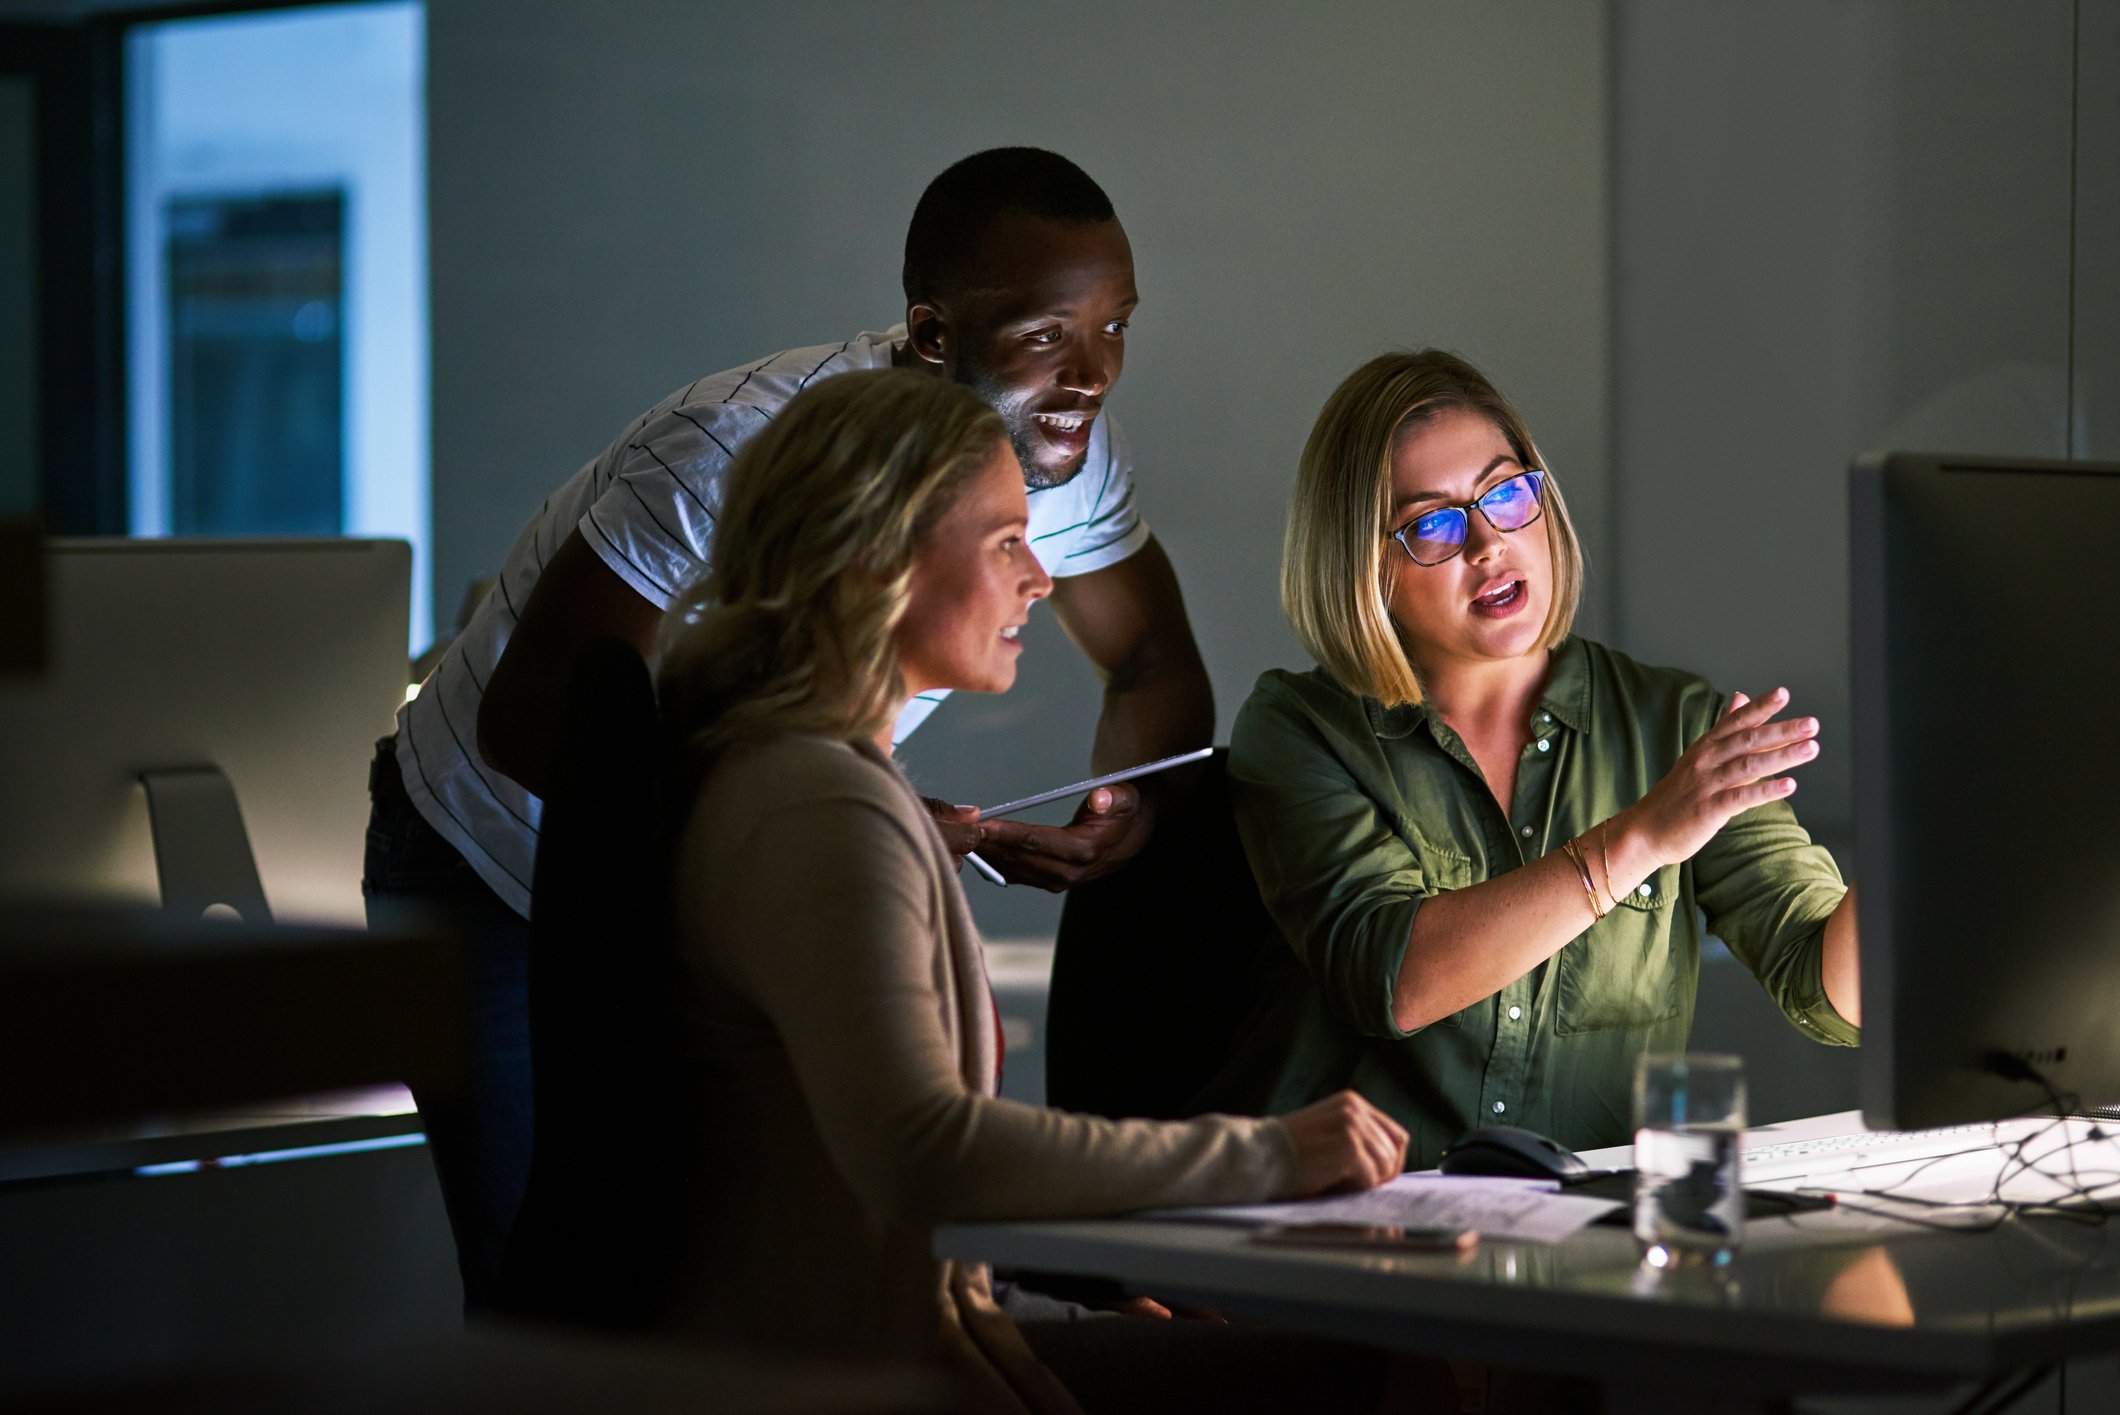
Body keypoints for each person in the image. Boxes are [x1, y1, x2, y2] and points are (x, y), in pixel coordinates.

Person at [363, 148, 1214, 1305]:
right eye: (1044, 335)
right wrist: (858, 815)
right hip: (496, 852)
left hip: (734, 848)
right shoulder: (730, 451)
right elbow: (535, 722)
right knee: (556, 1290)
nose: (1091, 375)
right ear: (930, 332)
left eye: (1114, 327)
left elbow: (1152, 656)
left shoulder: (1053, 450)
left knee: (741, 1258)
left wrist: (1127, 807)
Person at [658, 366, 1433, 1415]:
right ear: (876, 555)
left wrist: (1047, 1295)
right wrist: (1269, 1152)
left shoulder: (811, 777)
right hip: (842, 1378)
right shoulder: (815, 805)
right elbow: (925, 1154)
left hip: (906, 1340)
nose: (1040, 578)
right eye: (1003, 542)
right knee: (1387, 1373)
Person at [1203, 349, 1861, 1166]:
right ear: (1363, 566)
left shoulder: (1678, 724)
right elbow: (1390, 975)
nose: (1487, 541)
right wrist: (1642, 837)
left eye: (1506, 492)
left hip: (1587, 1247)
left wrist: (1926, 812)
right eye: (1431, 523)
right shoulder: (1300, 728)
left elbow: (1832, 995)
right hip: (1363, 1240)